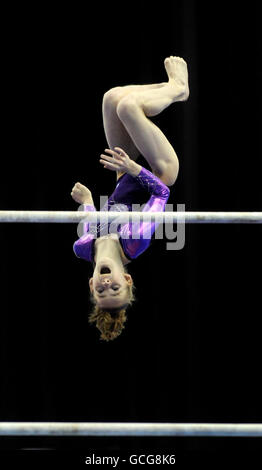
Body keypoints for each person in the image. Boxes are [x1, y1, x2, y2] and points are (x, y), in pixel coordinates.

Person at [71, 56, 189, 341]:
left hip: (123, 173)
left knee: (112, 99)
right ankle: (178, 88)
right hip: (160, 170)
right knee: (127, 107)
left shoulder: (83, 247)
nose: (107, 284)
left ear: (91, 284)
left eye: (101, 290)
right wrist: (134, 169)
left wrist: (86, 200)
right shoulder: (134, 242)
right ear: (127, 280)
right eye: (115, 288)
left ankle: (165, 86)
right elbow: (162, 194)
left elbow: (91, 219)